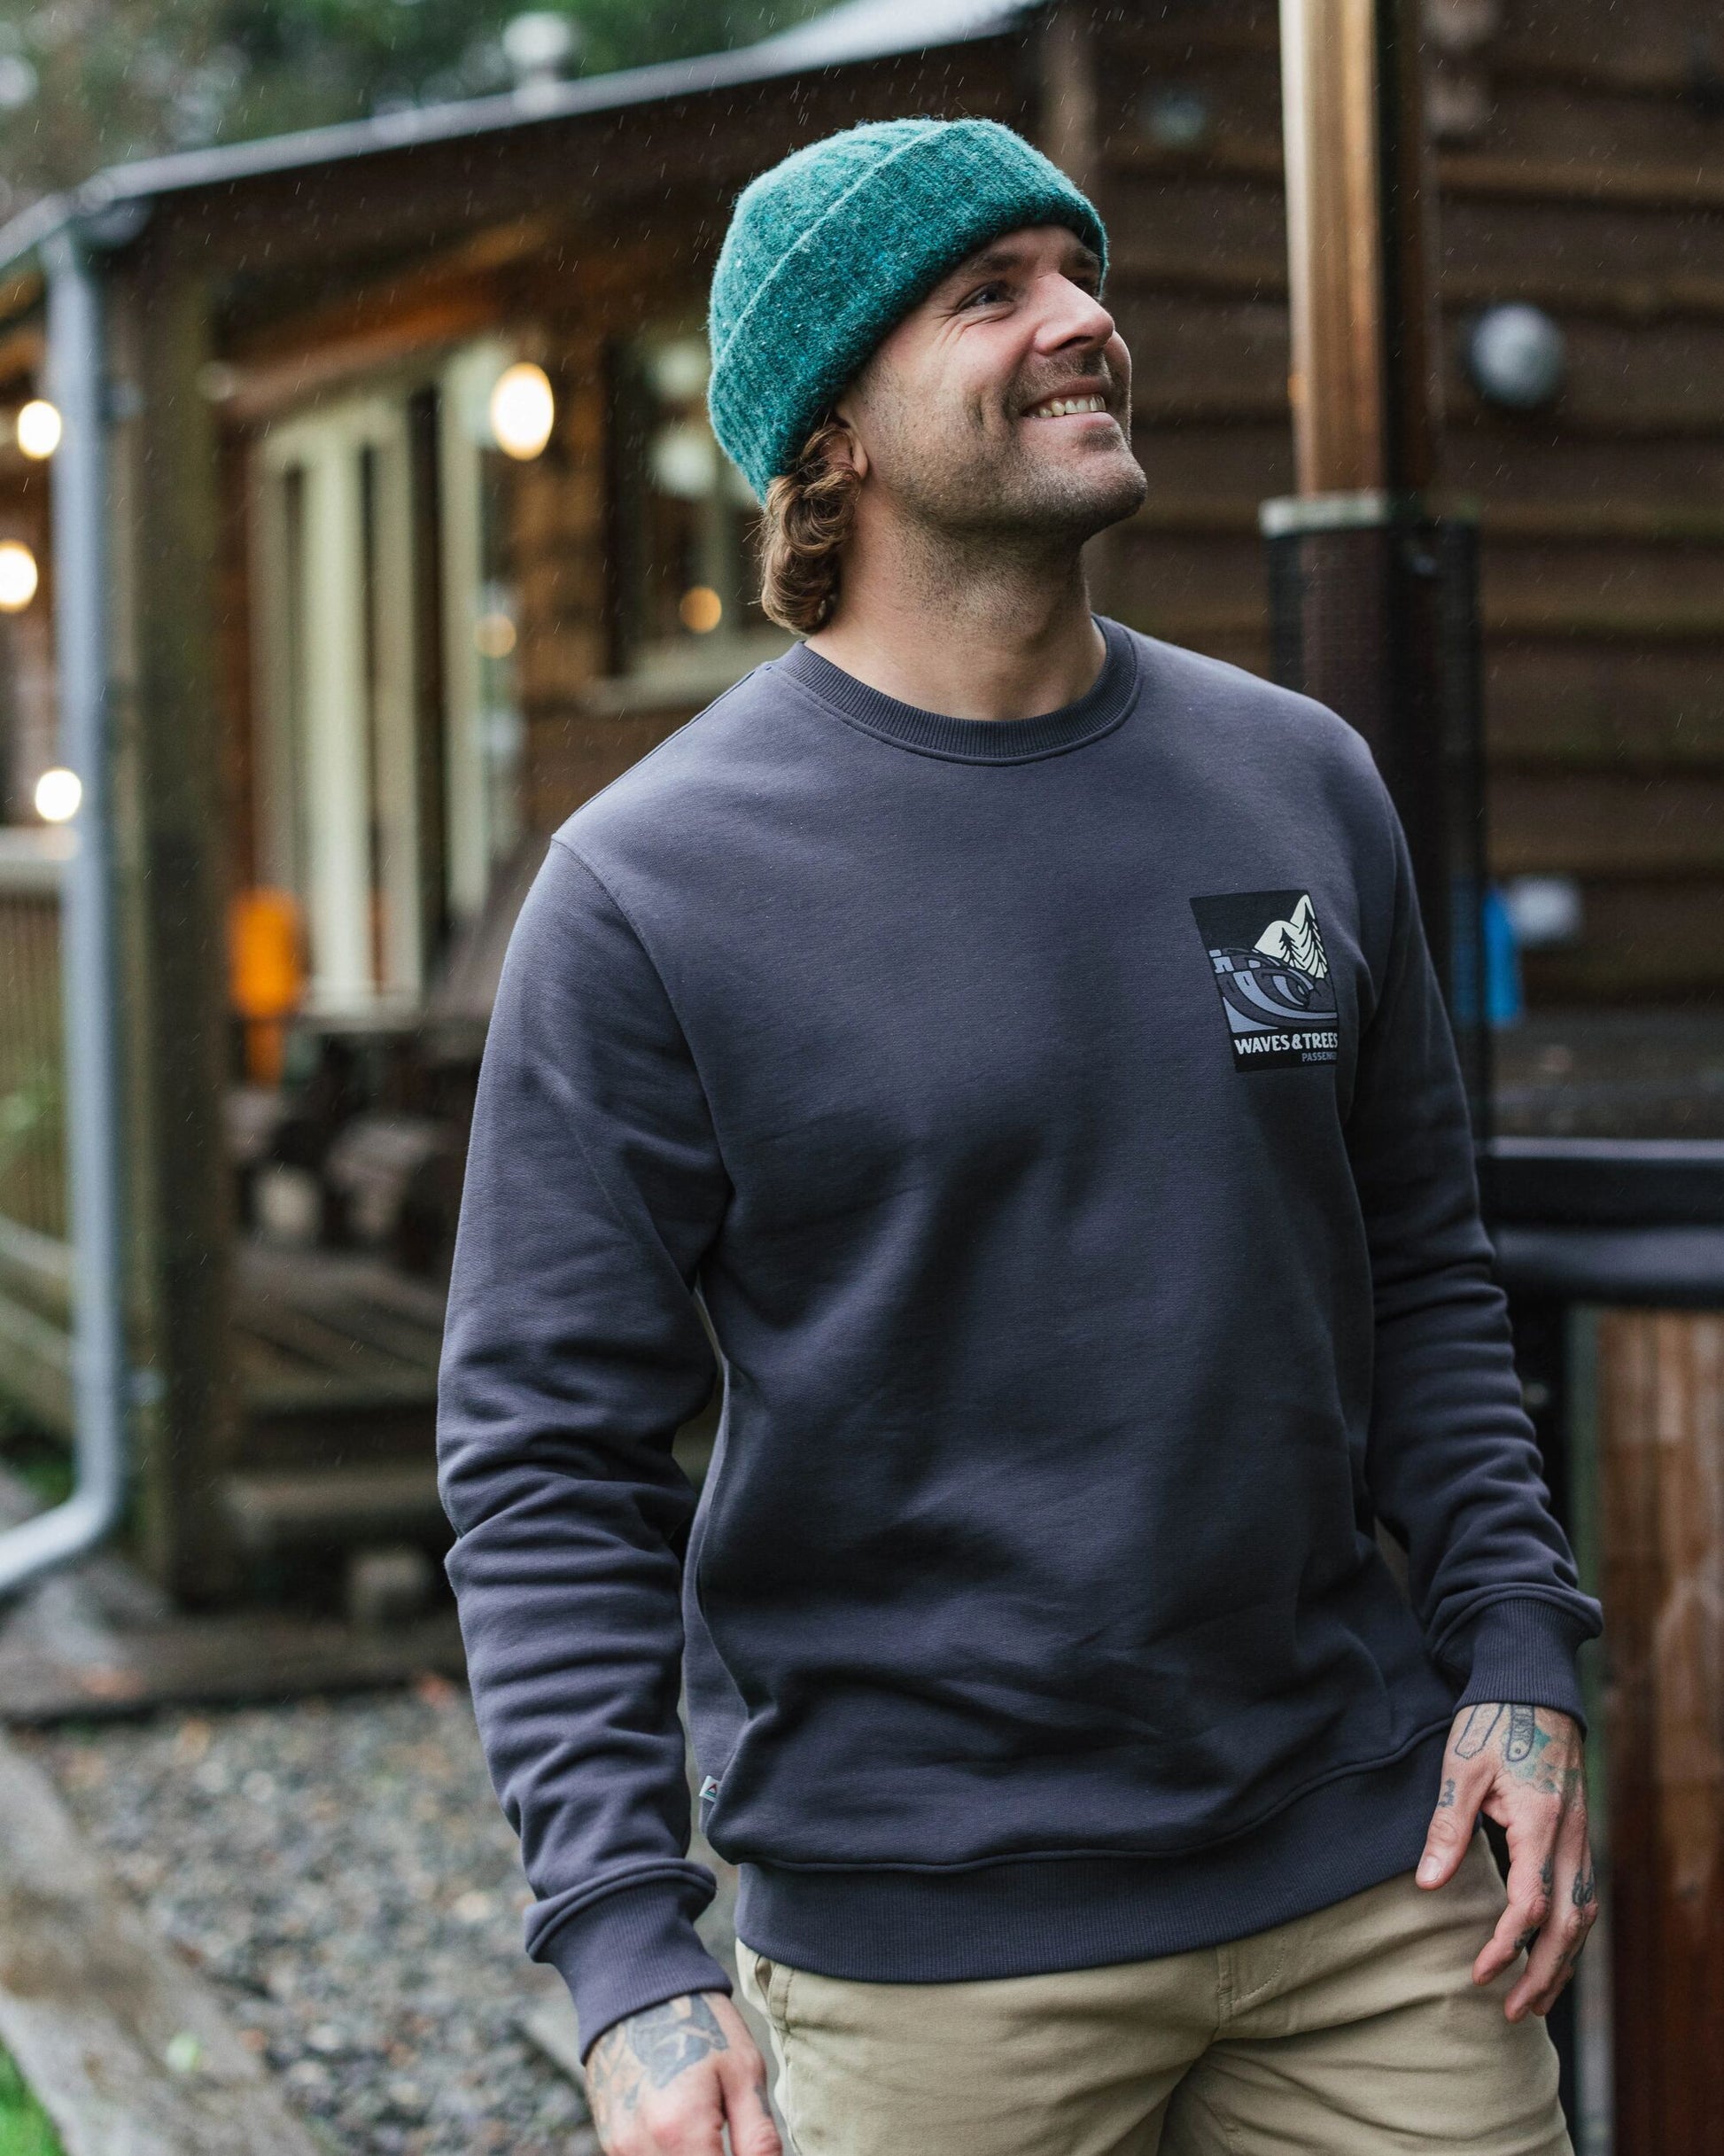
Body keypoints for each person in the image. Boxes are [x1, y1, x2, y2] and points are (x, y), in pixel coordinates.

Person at [437, 118, 1603, 2156]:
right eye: (990, 295)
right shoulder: (652, 885)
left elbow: (1423, 1272)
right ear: (835, 432)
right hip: (926, 1951)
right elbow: (548, 1455)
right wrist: (628, 1949)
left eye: (1080, 275)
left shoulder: (1297, 783)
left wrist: (1516, 1649)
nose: (1081, 321)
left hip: (1371, 1881)